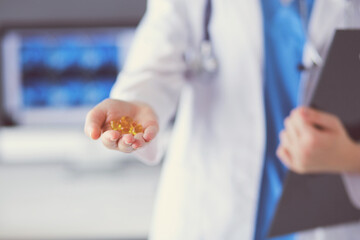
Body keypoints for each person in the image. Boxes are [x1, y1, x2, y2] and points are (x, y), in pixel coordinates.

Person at [84, 0, 360, 239]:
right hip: (211, 211)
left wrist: (351, 157)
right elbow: (157, 53)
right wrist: (137, 102)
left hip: (331, 218)